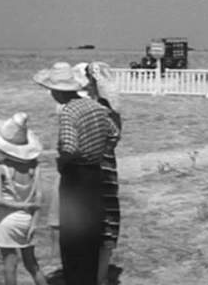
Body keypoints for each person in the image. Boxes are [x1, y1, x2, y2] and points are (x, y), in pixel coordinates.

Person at [33, 62, 119, 285]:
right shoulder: (96, 107)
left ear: (57, 91)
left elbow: (70, 147)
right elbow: (113, 134)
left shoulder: (68, 110)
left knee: (73, 239)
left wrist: (61, 161)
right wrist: (99, 151)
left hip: (76, 177)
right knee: (91, 235)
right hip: (95, 175)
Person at [0, 112, 48, 285]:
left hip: (7, 220)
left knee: (10, 265)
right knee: (32, 264)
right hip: (27, 220)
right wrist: (34, 219)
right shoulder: (35, 166)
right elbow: (39, 196)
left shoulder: (1, 167)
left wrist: (20, 205)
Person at [76, 62, 123, 285]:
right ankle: (100, 275)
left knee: (90, 217)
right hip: (107, 166)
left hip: (91, 166)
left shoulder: (86, 109)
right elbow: (114, 138)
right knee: (107, 218)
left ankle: (91, 273)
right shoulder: (111, 112)